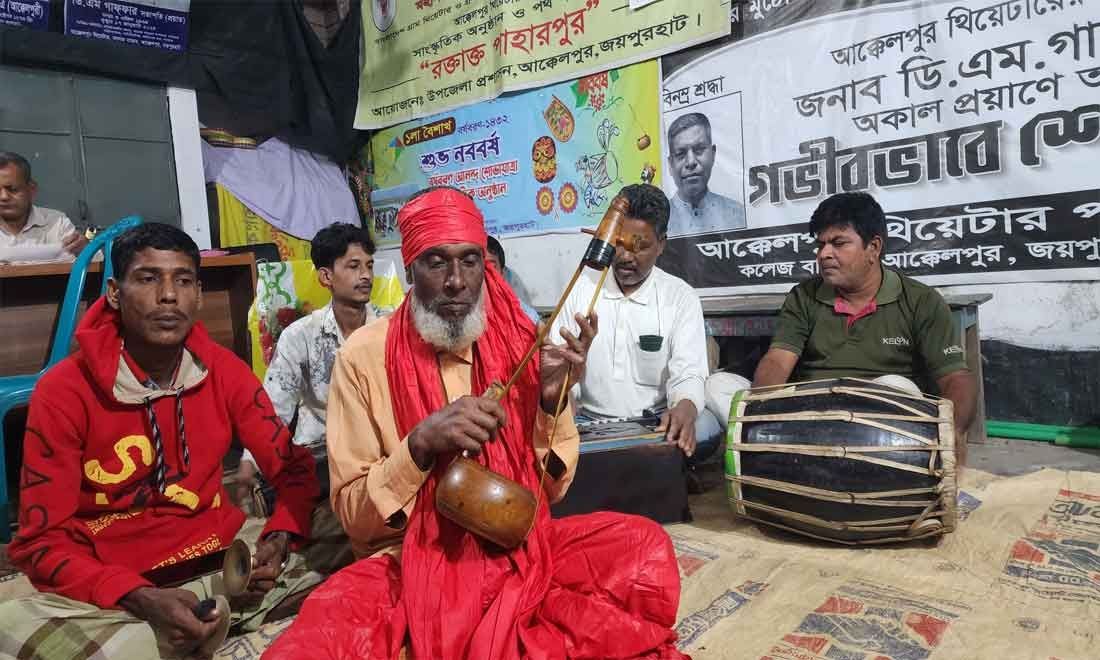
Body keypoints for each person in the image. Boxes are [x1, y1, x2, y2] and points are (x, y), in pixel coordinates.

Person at [262, 187, 686, 659]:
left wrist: (549, 401)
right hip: (412, 558)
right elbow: (355, 518)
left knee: (642, 546)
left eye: (470, 261)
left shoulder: (518, 342)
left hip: (515, 546)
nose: (456, 282)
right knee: (318, 640)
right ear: (409, 268)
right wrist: (420, 445)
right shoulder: (363, 357)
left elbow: (550, 493)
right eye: (436, 263)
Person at [1, 223, 322, 659]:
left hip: (217, 557)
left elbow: (293, 469)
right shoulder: (63, 390)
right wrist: (139, 597)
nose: (168, 295)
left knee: (355, 542)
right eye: (148, 278)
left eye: (183, 280)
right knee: (11, 621)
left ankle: (201, 627)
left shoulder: (223, 370)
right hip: (112, 587)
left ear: (198, 294)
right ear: (114, 293)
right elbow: (39, 542)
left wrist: (280, 537)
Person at [752, 192, 978, 462]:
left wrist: (953, 433)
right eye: (820, 245)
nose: (824, 254)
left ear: (873, 247)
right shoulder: (803, 296)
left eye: (838, 243)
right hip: (812, 416)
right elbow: (778, 361)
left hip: (885, 429)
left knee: (896, 386)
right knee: (721, 387)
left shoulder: (921, 300)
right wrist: (761, 410)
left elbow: (955, 378)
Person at [551, 183, 720, 491]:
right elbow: (557, 364)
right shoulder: (582, 289)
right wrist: (566, 399)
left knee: (706, 426)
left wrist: (683, 409)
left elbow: (689, 373)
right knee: (543, 425)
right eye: (618, 243)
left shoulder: (679, 297)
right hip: (588, 423)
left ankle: (644, 463)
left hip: (654, 422)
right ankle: (653, 467)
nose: (625, 256)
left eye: (639, 246)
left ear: (661, 244)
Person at [238, 223, 378, 489]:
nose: (366, 276)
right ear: (326, 277)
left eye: (369, 266)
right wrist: (250, 460)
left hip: (377, 452)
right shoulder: (300, 335)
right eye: (354, 266)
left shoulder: (388, 329)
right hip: (320, 453)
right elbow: (275, 406)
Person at [665, 113, 746, 237]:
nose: (691, 162)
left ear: (713, 154)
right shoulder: (657, 221)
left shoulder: (737, 214)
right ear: (670, 164)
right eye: (680, 154)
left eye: (699, 150)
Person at [0, 151, 88, 261]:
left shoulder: (57, 223)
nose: (4, 197)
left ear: (31, 189)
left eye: (13, 189)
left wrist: (86, 250)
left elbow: (97, 265)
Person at [485, 234, 540, 324]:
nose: (486, 275)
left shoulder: (514, 304)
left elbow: (536, 323)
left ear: (502, 273)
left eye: (491, 267)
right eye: (482, 267)